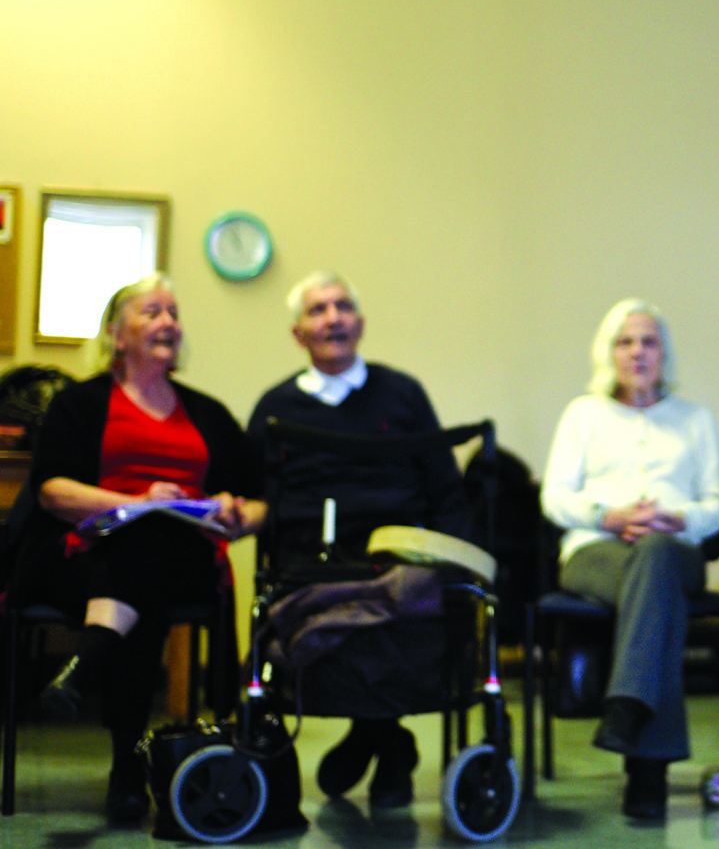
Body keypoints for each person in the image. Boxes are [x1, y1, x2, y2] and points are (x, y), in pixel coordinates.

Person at [6, 274, 265, 821]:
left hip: (187, 559)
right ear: (116, 334)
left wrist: (234, 513)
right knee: (142, 565)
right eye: (152, 312)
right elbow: (52, 490)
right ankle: (127, 766)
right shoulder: (79, 403)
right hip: (82, 556)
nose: (168, 322)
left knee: (150, 547)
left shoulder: (209, 412)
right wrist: (136, 501)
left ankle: (88, 668)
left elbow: (261, 500)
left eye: (173, 312)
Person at [248, 270, 472, 809]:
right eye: (318, 310)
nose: (333, 318)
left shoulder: (403, 392)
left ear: (361, 324)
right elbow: (255, 496)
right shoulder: (276, 407)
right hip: (312, 558)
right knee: (334, 600)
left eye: (342, 306)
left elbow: (445, 486)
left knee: (407, 594)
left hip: (399, 554)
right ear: (298, 333)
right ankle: (388, 740)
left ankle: (374, 735)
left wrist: (459, 560)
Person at [540, 298, 719, 819]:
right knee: (658, 596)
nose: (638, 351)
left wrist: (678, 518)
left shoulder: (695, 419)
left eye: (648, 341)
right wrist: (608, 515)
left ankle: (627, 707)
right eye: (625, 341)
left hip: (674, 548)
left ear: (663, 352)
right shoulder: (583, 414)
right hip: (595, 552)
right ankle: (647, 769)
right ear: (608, 352)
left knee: (657, 559)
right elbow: (554, 498)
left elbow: (718, 506)